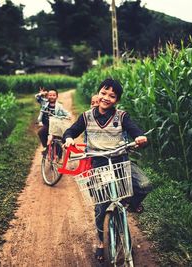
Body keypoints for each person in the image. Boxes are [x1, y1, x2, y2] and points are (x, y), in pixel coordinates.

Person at [63, 78, 152, 262]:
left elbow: (134, 130)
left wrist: (140, 137)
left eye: (112, 96)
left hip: (120, 160)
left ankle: (131, 204)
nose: (106, 98)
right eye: (103, 93)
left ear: (116, 100)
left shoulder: (121, 116)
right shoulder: (86, 116)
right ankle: (102, 242)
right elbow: (71, 130)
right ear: (98, 93)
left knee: (144, 184)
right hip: (99, 164)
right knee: (101, 207)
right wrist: (69, 138)